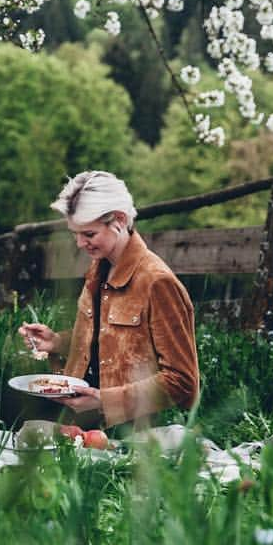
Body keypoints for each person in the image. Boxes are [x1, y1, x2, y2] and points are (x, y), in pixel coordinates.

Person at [18, 170, 199, 428]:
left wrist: (104, 400)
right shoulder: (99, 267)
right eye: (75, 234)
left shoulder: (158, 282)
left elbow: (182, 382)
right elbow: (107, 343)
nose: (80, 243)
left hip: (124, 422)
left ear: (120, 220)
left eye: (89, 234)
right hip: (76, 405)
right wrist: (56, 342)